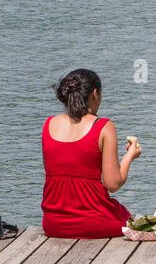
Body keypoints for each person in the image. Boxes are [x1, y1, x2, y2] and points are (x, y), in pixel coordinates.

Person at [42, 69, 139, 238]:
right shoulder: (103, 126)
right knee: (128, 217)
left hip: (53, 224)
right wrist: (130, 155)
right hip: (94, 221)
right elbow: (113, 184)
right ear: (95, 94)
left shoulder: (49, 124)